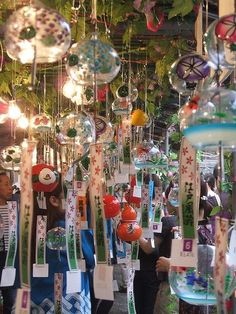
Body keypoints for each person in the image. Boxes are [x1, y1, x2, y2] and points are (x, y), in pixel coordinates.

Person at [31, 175, 94, 313]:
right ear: (53, 200)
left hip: (38, 298)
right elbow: (90, 257)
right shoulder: (68, 228)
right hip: (68, 297)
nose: (73, 201)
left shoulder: (32, 228)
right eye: (68, 197)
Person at [0, 172, 19, 314]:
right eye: (6, 184)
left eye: (10, 184)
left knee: (11, 300)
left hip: (11, 257)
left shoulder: (15, 207)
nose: (10, 188)